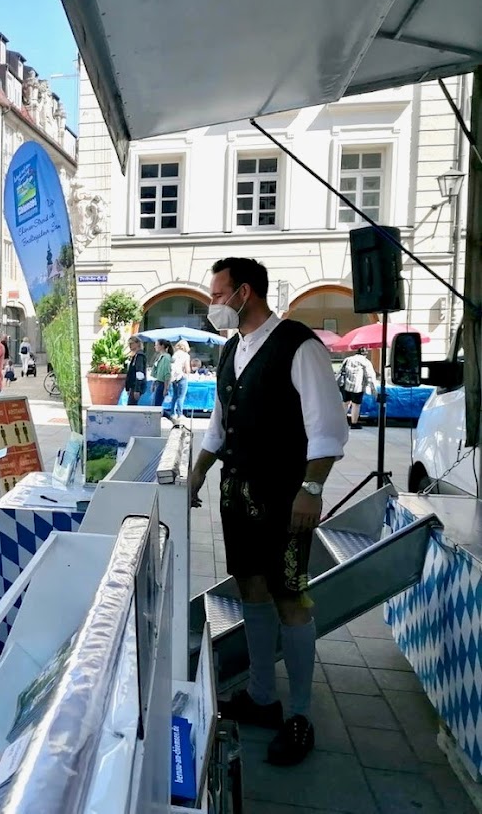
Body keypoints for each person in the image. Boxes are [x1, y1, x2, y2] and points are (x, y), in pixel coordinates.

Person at [189, 257, 347, 767]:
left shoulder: (298, 345)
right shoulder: (232, 350)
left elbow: (327, 427)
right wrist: (198, 470)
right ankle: (262, 696)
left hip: (285, 497)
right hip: (238, 495)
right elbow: (220, 419)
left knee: (290, 596)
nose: (213, 304)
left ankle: (299, 715)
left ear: (245, 293)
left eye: (217, 294)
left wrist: (312, 488)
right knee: (250, 588)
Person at [338, 347, 376, 430]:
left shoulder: (347, 359)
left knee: (345, 403)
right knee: (356, 404)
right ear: (365, 354)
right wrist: (373, 389)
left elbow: (340, 371)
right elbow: (370, 376)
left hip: (345, 385)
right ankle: (354, 423)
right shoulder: (365, 361)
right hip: (357, 387)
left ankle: (341, 422)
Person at [170, 339, 192, 423]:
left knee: (175, 395)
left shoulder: (175, 355)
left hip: (174, 377)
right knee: (181, 396)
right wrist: (188, 373)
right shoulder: (186, 355)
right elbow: (187, 368)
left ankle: (172, 412)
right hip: (182, 376)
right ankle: (180, 414)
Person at [125, 335, 148, 405]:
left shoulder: (139, 356)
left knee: (132, 406)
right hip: (133, 386)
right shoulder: (135, 356)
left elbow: (139, 373)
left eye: (131, 343)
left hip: (136, 386)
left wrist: (137, 389)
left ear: (137, 344)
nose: (130, 346)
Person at [151, 340, 173, 408]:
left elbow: (167, 373)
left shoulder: (166, 358)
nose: (155, 347)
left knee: (157, 405)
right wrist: (154, 383)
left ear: (162, 346)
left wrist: (166, 388)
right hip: (158, 382)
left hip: (162, 383)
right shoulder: (160, 356)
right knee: (155, 404)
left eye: (157, 345)